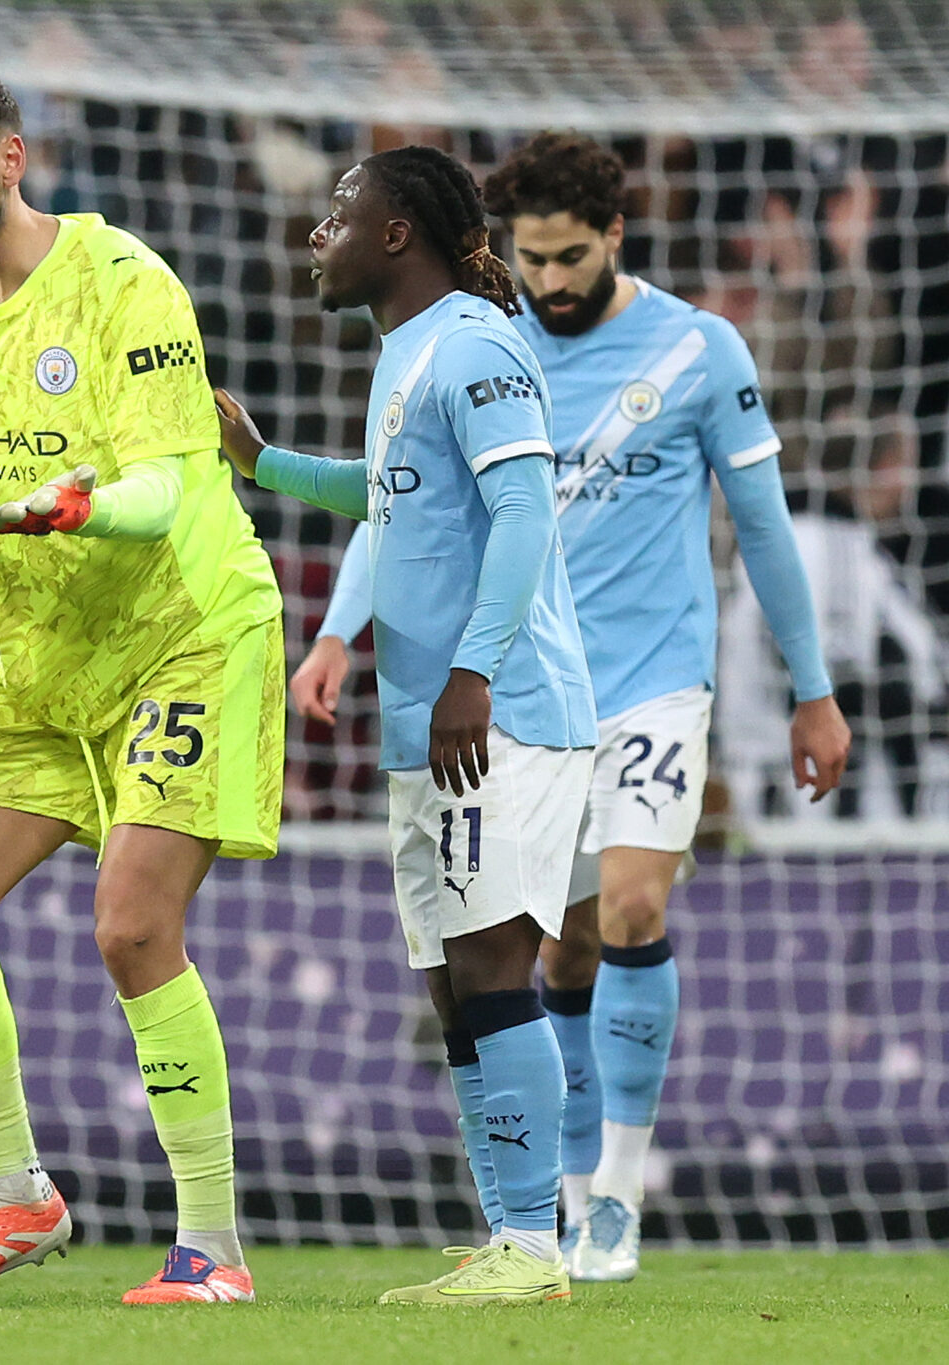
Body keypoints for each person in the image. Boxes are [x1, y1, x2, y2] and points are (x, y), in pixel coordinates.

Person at [289, 132, 851, 1281]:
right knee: (547, 956)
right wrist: (341, 628)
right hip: (503, 682)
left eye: (567, 257)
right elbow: (405, 502)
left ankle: (606, 1206)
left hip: (630, 681)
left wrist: (813, 690)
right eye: (529, 258)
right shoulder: (469, 344)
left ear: (614, 239)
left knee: (625, 913)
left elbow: (763, 529)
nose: (548, 281)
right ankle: (543, 1206)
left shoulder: (697, 349)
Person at [0, 70, 285, 1306]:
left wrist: (79, 506)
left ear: (13, 159)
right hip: (47, 673)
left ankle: (211, 1247)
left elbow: (172, 488)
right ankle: (16, 1197)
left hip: (185, 636)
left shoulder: (124, 283)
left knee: (128, 924)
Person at [217, 144, 593, 1305]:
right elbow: (390, 498)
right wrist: (264, 464)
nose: (316, 234)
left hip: (500, 714)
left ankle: (532, 1245)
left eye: (339, 213)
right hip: (424, 723)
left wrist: (472, 674)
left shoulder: (475, 345)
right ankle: (505, 1232)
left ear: (397, 234)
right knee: (448, 984)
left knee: (491, 963)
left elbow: (524, 510)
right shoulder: (404, 355)